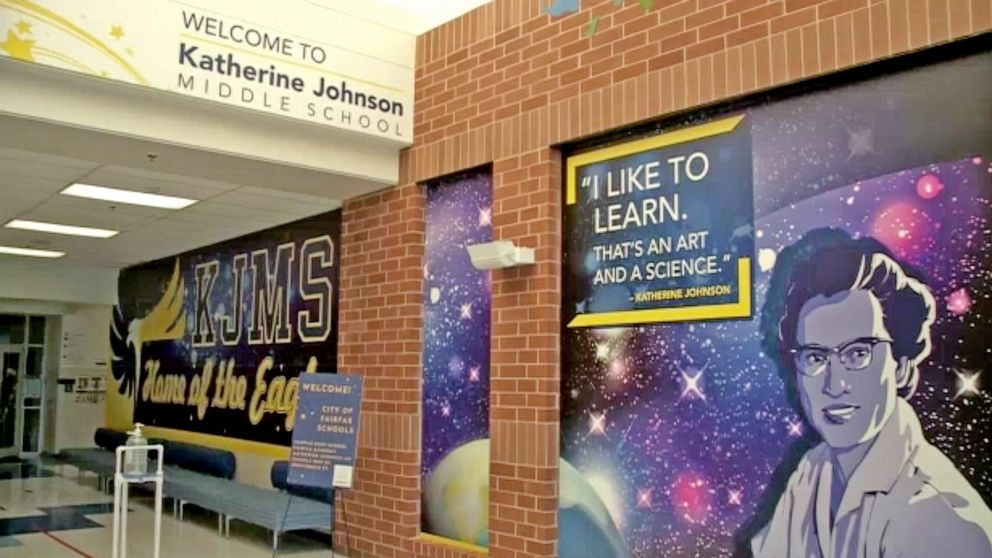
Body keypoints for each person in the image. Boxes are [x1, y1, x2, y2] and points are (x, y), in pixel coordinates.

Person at [751, 228, 992, 558]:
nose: (834, 384)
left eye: (858, 354)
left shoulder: (941, 519)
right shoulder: (812, 471)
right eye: (816, 357)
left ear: (900, 364)